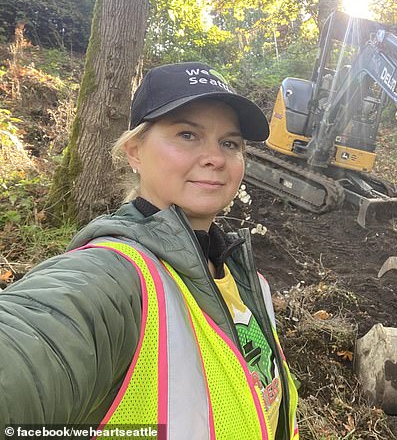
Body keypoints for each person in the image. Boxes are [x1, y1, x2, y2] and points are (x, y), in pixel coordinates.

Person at [0, 62, 299, 440]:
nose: (216, 158)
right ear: (135, 151)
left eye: (230, 143)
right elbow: (30, 345)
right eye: (188, 134)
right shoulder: (115, 277)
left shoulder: (247, 280)